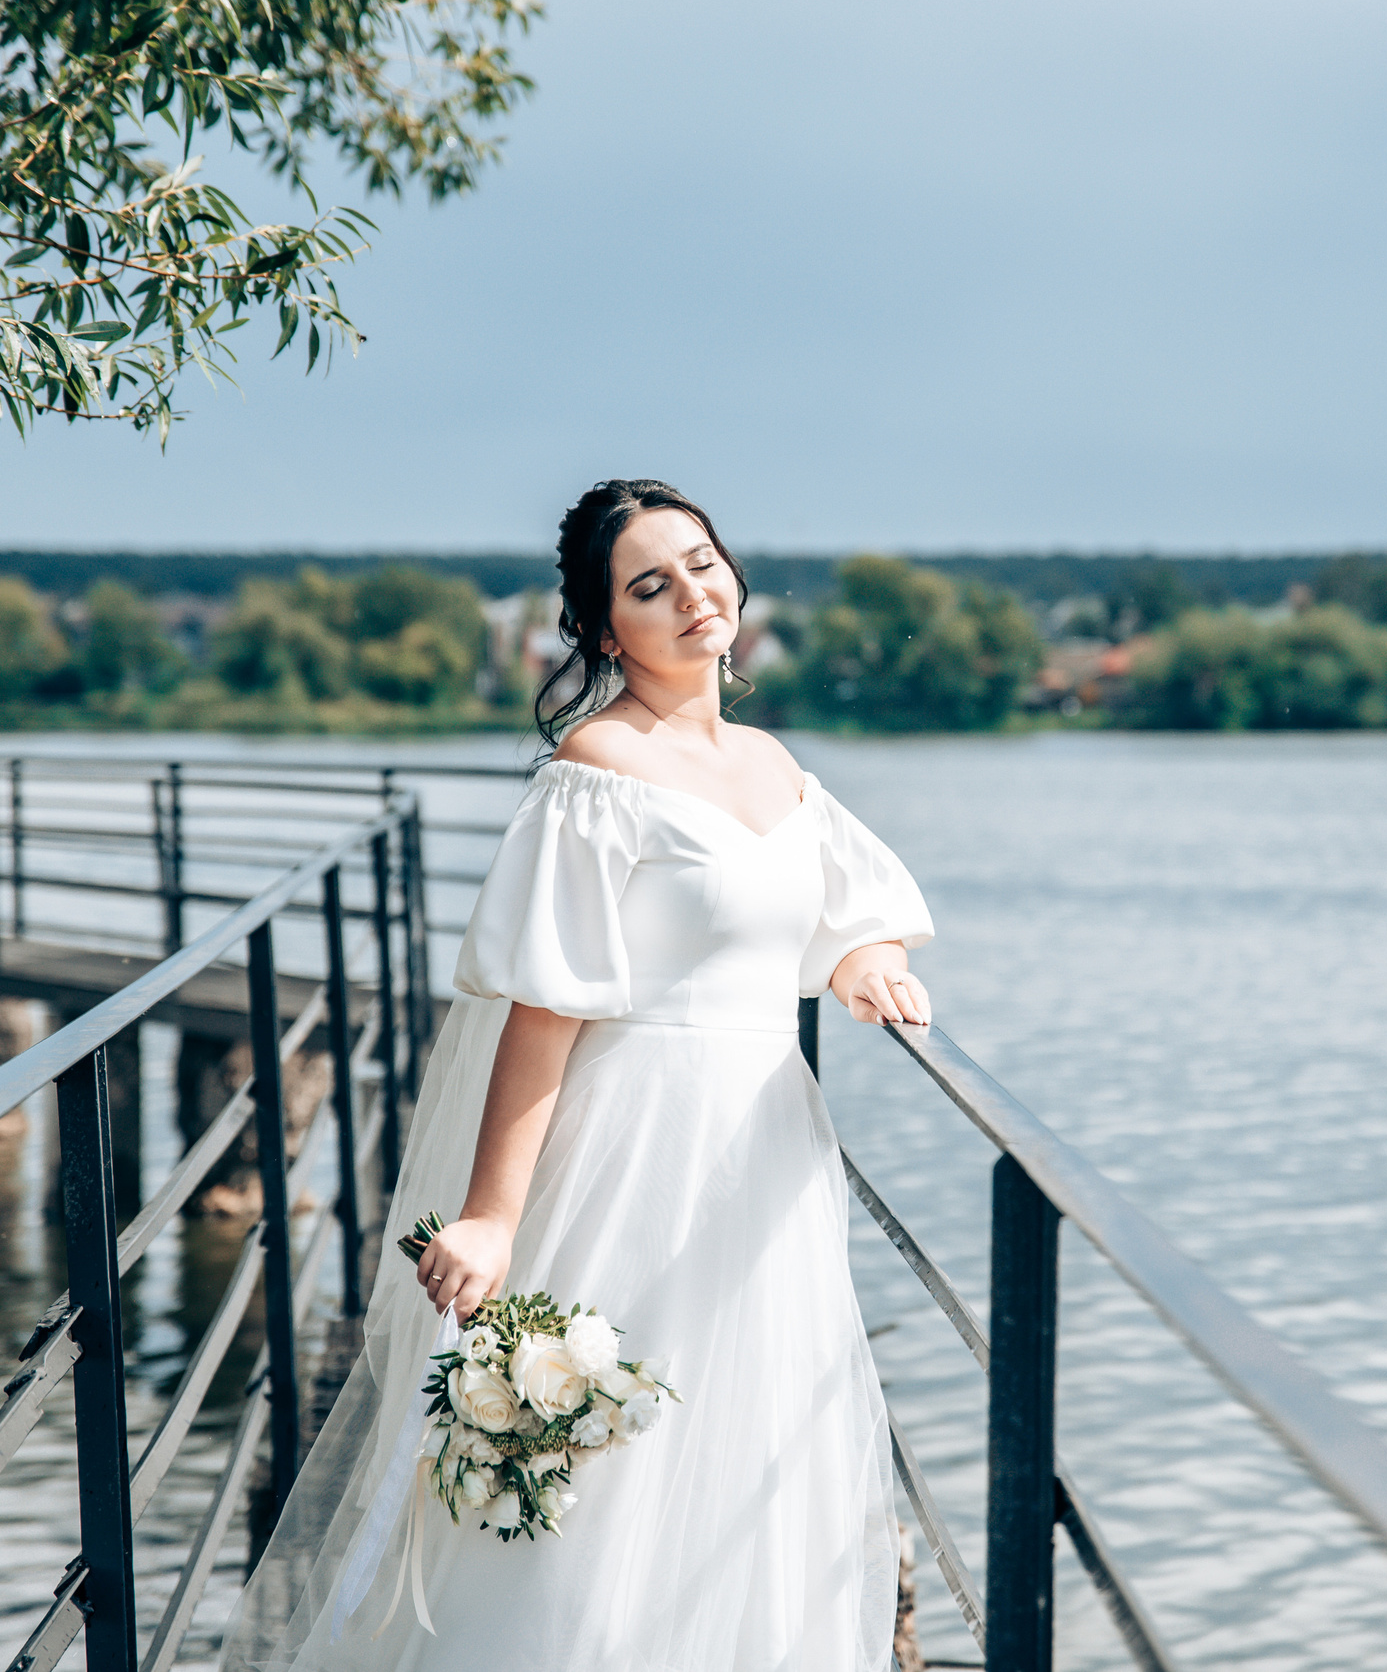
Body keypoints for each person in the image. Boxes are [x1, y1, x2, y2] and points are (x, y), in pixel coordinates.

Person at [221, 480, 934, 1671]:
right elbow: (544, 1009)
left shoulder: (771, 763)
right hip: (638, 1145)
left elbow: (847, 906)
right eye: (650, 584)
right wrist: (492, 1215)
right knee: (605, 1483)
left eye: (701, 562)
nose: (692, 594)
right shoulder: (598, 765)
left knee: (743, 1460)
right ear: (606, 630)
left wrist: (867, 958)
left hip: (765, 1158)